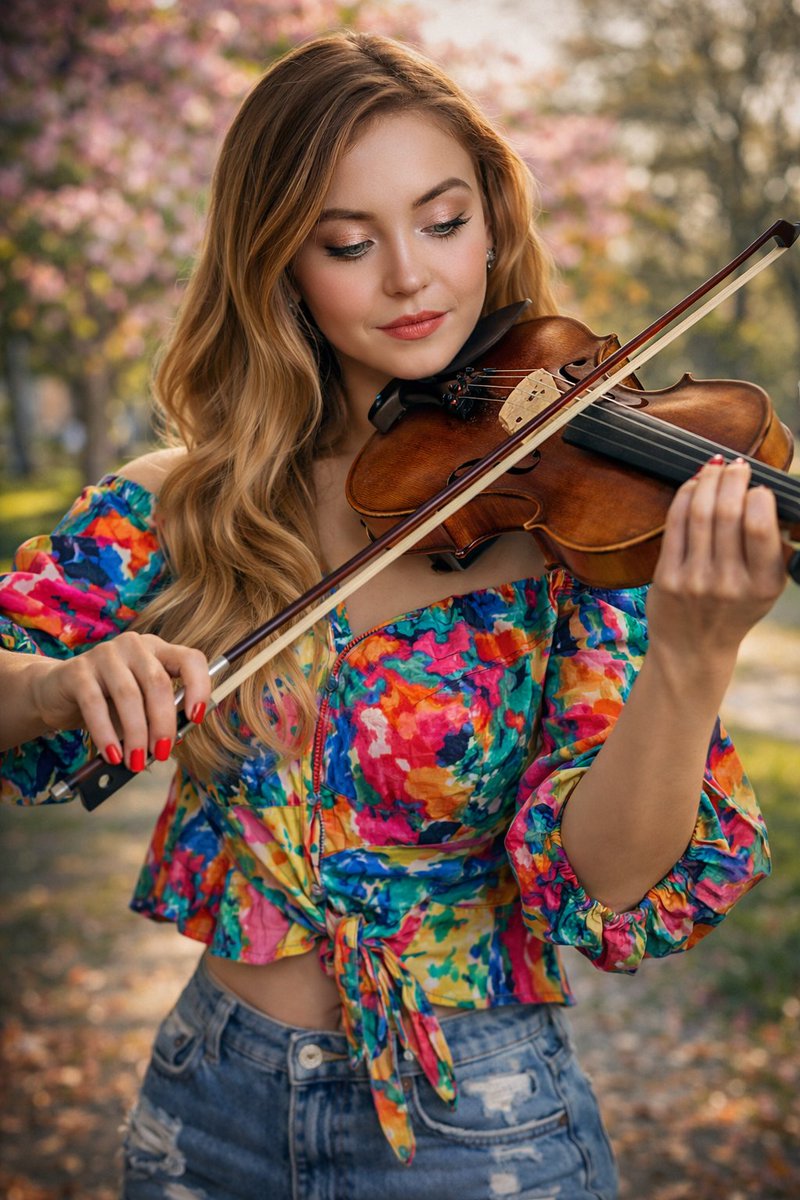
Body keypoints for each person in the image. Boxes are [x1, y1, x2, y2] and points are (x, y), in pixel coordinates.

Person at [0, 29, 786, 1200]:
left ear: (492, 221)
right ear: (280, 267)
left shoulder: (568, 532)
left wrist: (689, 654)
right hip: (207, 1107)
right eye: (349, 244)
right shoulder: (183, 502)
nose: (411, 278)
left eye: (443, 220)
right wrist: (60, 682)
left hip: (485, 1128)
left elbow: (608, 883)